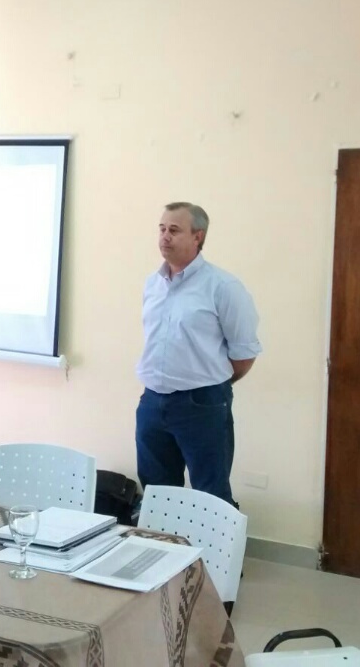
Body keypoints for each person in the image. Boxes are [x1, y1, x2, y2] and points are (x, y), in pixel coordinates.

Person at [136, 202, 261, 506]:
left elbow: (243, 354)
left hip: (201, 403)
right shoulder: (153, 284)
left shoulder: (223, 287)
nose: (165, 236)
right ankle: (164, 553)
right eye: (162, 229)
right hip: (152, 400)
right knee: (157, 493)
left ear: (198, 237)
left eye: (175, 230)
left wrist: (209, 383)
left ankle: (212, 556)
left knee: (211, 494)